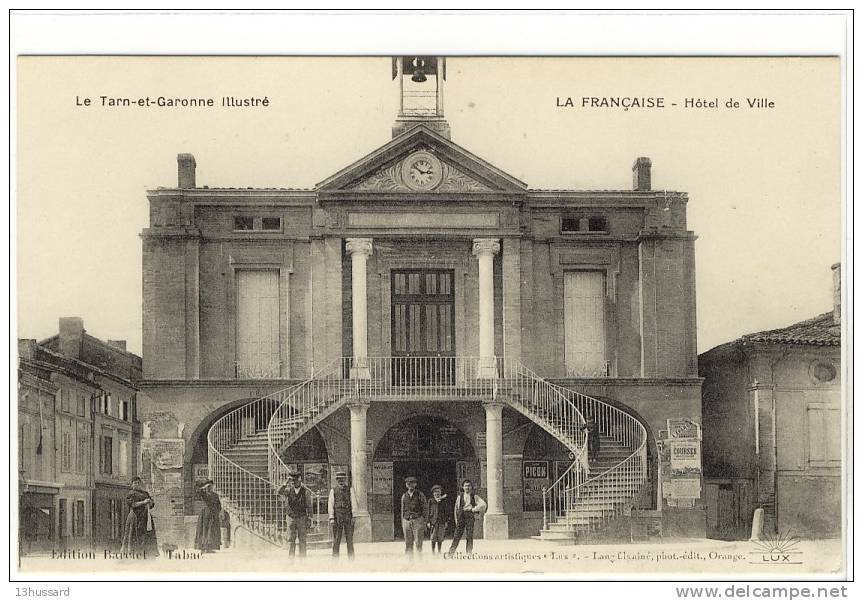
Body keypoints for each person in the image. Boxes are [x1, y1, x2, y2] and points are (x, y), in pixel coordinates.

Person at [445, 479, 486, 557]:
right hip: (461, 517)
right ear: (463, 487)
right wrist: (456, 520)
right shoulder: (459, 497)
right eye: (466, 486)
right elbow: (456, 509)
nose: (467, 487)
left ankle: (469, 553)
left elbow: (483, 505)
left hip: (470, 517)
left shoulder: (475, 496)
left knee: (469, 536)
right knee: (456, 536)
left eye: (469, 486)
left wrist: (473, 509)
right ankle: (451, 553)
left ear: (471, 487)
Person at [277, 470, 313, 557]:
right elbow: (279, 491)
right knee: (290, 539)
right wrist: (285, 483)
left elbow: (309, 506)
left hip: (302, 518)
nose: (294, 482)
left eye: (296, 480)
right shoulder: (288, 490)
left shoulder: (305, 491)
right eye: (292, 480)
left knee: (302, 539)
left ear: (300, 480)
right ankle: (291, 558)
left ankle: (303, 559)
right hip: (291, 518)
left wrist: (310, 518)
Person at [124, 476, 159, 557]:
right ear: (132, 485)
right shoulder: (131, 493)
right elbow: (132, 504)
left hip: (146, 517)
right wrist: (143, 502)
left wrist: (150, 502)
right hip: (135, 517)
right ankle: (135, 553)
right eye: (135, 483)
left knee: (147, 534)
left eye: (138, 483)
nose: (137, 484)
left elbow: (152, 505)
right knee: (134, 534)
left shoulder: (145, 493)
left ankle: (148, 553)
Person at [327, 471, 358, 558]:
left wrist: (354, 515)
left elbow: (354, 503)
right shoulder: (333, 491)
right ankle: (335, 560)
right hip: (337, 518)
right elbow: (330, 504)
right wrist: (331, 517)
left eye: (343, 479)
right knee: (336, 539)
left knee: (349, 540)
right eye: (339, 479)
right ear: (337, 480)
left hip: (348, 517)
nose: (341, 481)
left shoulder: (350, 490)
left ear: (345, 480)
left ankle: (351, 560)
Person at [400, 476, 428, 556]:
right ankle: (409, 561)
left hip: (418, 521)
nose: (410, 485)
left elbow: (425, 508)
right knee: (408, 543)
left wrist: (424, 521)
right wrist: (403, 522)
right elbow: (402, 509)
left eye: (412, 483)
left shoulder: (420, 495)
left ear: (415, 484)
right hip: (407, 521)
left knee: (418, 543)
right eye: (408, 483)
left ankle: (419, 561)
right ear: (406, 485)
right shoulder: (404, 496)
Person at [194, 479, 222, 553]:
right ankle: (203, 547)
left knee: (212, 531)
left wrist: (217, 512)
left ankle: (210, 547)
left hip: (213, 515)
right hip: (205, 515)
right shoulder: (203, 494)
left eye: (211, 486)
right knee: (203, 530)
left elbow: (219, 506)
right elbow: (197, 493)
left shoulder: (215, 495)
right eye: (208, 486)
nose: (209, 488)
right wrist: (202, 489)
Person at [427, 484, 450, 555]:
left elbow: (446, 511)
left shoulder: (443, 501)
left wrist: (446, 521)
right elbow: (428, 511)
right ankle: (433, 551)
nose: (437, 493)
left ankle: (439, 551)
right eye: (435, 492)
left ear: (441, 492)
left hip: (442, 521)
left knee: (440, 537)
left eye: (438, 491)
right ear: (433, 493)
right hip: (433, 521)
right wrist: (428, 521)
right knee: (433, 537)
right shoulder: (431, 501)